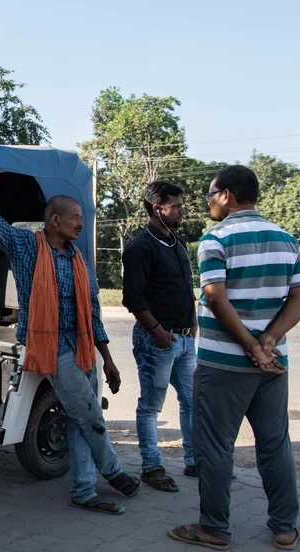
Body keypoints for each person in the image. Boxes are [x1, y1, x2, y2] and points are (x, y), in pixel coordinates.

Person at [0, 173, 141, 514]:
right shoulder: (26, 247)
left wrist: (107, 359)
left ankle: (83, 490)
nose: (82, 224)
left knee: (79, 417)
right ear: (55, 221)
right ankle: (113, 472)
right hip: (54, 350)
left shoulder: (76, 259)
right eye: (76, 218)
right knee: (91, 416)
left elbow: (93, 312)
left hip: (83, 348)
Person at [169, 165, 300, 551]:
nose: (208, 201)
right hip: (273, 363)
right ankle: (284, 528)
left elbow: (215, 295)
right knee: (275, 443)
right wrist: (268, 340)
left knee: (215, 445)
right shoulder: (286, 239)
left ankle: (214, 528)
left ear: (228, 194)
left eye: (211, 194)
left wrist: (250, 346)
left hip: (224, 364)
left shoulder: (216, 237)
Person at [121, 181, 197, 491]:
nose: (182, 211)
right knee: (151, 406)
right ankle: (152, 467)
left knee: (193, 402)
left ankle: (194, 461)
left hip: (185, 340)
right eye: (176, 206)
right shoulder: (140, 247)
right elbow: (133, 298)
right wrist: (157, 330)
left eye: (181, 205)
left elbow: (187, 285)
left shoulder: (176, 242)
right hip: (157, 341)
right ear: (158, 209)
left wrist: (192, 321)